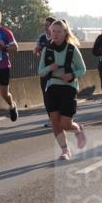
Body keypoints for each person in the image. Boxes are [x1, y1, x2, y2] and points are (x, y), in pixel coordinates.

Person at [38, 20, 88, 160]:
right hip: (52, 86)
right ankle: (65, 150)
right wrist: (50, 68)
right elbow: (41, 71)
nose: (55, 34)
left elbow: (82, 69)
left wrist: (71, 75)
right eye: (53, 31)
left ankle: (77, 129)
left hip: (69, 87)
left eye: (59, 31)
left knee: (65, 123)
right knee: (55, 121)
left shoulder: (72, 49)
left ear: (65, 33)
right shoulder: (47, 50)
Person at [35, 16, 55, 127]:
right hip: (44, 71)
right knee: (46, 95)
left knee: (54, 94)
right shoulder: (42, 38)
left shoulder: (57, 37)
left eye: (47, 25)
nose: (45, 27)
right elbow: (36, 49)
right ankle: (51, 118)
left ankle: (58, 116)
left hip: (56, 71)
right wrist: (37, 50)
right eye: (45, 25)